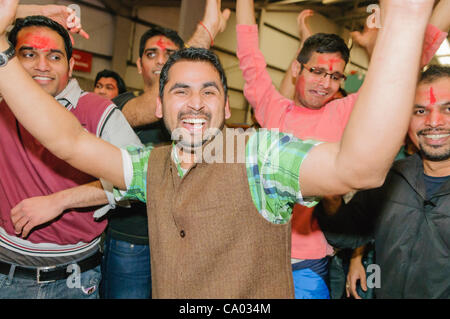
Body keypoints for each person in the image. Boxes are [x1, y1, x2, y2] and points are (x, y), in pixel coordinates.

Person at [0, 0, 435, 298]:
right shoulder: (152, 165)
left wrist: (406, 20)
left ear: (227, 107)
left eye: (209, 91)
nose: (194, 102)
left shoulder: (259, 155)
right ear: (160, 104)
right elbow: (68, 141)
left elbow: (358, 169)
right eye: (180, 91)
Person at [235, 0, 449, 298]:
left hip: (309, 260)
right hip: (257, 253)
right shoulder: (273, 109)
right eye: (317, 71)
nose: (325, 84)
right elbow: (248, 54)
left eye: (335, 76)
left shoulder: (345, 112)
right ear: (297, 69)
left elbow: (407, 62)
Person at [0, 14, 141, 299]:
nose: (42, 66)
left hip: (76, 280)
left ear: (71, 66)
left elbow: (140, 179)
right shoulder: (2, 109)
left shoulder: (98, 112)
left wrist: (60, 200)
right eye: (29, 54)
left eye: (54, 57)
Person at [315, 65, 450, 299]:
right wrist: (331, 197)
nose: (434, 122)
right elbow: (345, 235)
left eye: (448, 109)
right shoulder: (390, 177)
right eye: (420, 111)